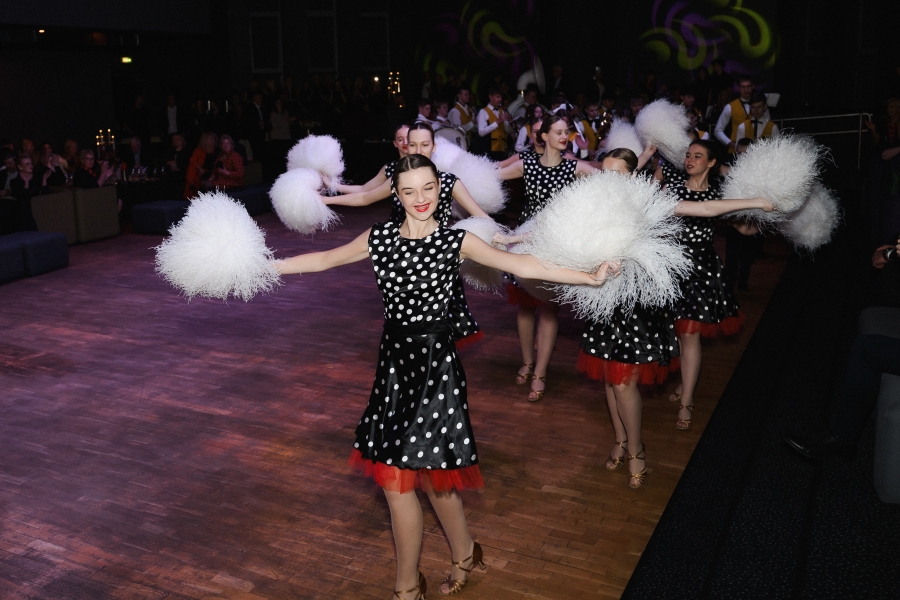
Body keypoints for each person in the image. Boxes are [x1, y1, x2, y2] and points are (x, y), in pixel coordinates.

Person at [275, 154, 615, 599]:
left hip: (436, 372)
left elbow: (525, 265)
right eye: (409, 190)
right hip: (394, 370)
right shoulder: (378, 238)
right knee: (405, 482)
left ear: (440, 188)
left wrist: (590, 277)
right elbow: (323, 260)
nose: (421, 198)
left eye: (429, 188)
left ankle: (417, 581)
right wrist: (261, 268)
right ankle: (450, 561)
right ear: (397, 194)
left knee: (429, 481)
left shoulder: (456, 240)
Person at [665, 140, 771, 429]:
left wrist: (772, 215)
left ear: (711, 163)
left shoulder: (718, 194)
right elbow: (707, 210)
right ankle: (686, 381)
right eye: (688, 155)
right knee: (677, 333)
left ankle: (687, 400)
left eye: (698, 156)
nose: (690, 159)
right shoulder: (672, 189)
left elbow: (744, 228)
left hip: (702, 272)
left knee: (690, 334)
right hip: (671, 270)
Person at [496, 116, 602, 401]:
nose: (564, 136)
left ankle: (540, 372)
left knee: (549, 308)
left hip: (554, 242)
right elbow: (490, 176)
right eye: (558, 132)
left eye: (566, 131)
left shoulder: (573, 167)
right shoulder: (527, 164)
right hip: (524, 240)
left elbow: (611, 176)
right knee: (524, 305)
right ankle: (527, 361)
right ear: (543, 136)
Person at [333, 124, 409, 194]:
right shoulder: (390, 167)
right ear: (395, 143)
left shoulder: (417, 165)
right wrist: (332, 185)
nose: (405, 142)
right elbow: (363, 190)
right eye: (400, 139)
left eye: (408, 138)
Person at [715, 75, 767, 153]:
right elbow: (718, 130)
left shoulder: (761, 106)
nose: (746, 89)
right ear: (738, 88)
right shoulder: (730, 107)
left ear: (753, 86)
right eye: (743, 87)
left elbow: (767, 124)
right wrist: (730, 143)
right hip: (736, 151)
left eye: (748, 86)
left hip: (758, 150)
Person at [8, 155, 47, 231]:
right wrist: (26, 184)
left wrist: (44, 180)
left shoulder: (37, 179)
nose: (30, 166)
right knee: (23, 207)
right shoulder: (15, 182)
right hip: (24, 212)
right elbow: (21, 197)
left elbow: (45, 195)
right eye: (27, 164)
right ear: (20, 167)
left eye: (31, 163)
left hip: (40, 207)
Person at [475, 87, 513, 161]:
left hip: (502, 148)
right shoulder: (483, 112)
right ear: (490, 97)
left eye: (501, 97)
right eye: (497, 97)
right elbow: (481, 132)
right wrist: (498, 121)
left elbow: (507, 130)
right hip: (489, 149)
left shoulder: (502, 111)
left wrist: (509, 124)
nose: (500, 100)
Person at [184, 132, 218, 198]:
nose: (213, 141)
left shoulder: (217, 151)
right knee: (192, 167)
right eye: (211, 139)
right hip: (200, 171)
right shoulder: (199, 150)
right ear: (205, 140)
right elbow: (192, 160)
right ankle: (191, 183)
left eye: (214, 139)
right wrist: (200, 169)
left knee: (193, 170)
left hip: (212, 172)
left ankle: (192, 183)